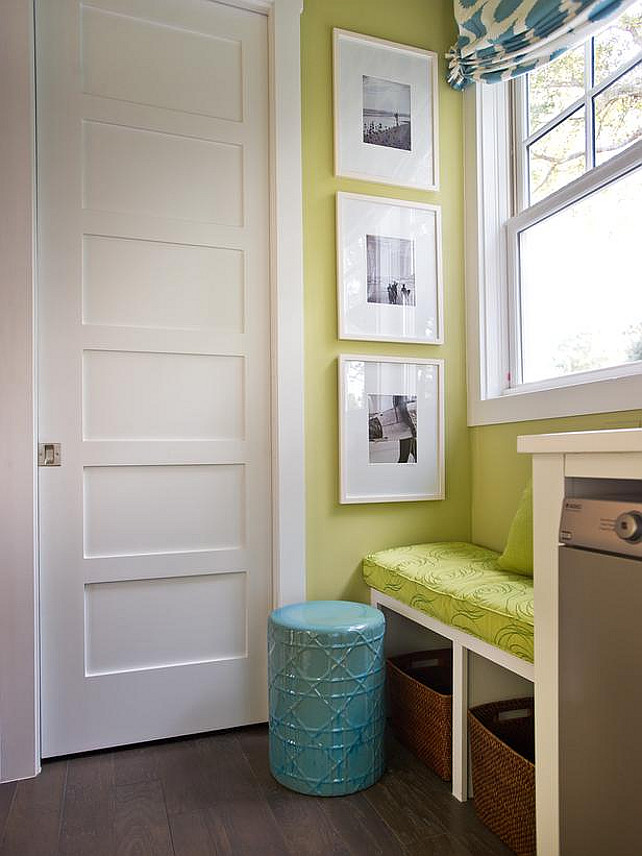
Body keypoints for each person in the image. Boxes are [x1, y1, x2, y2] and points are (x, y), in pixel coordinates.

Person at [393, 395, 417, 463]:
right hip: (406, 428)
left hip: (407, 426)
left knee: (417, 455)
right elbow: (402, 409)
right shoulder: (401, 394)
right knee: (403, 459)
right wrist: (412, 426)